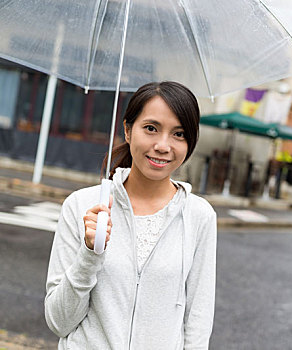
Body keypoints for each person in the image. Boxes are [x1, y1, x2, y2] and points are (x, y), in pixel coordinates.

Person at [45, 81, 217, 349]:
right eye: (151, 128)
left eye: (179, 134)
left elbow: (198, 321)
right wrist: (89, 255)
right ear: (127, 130)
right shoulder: (81, 206)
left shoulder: (199, 216)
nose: (162, 145)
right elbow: (59, 321)